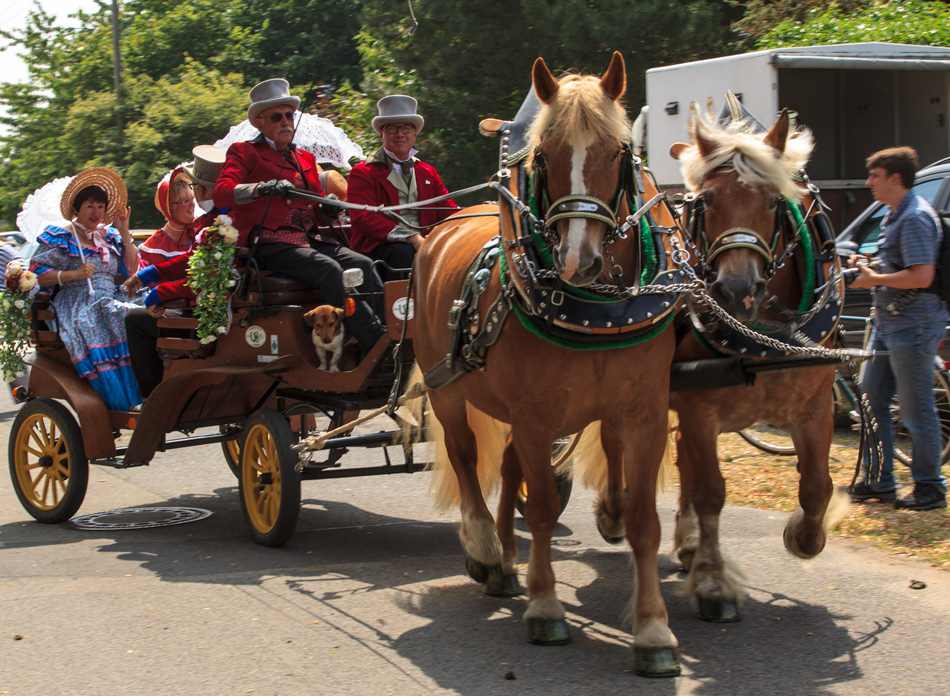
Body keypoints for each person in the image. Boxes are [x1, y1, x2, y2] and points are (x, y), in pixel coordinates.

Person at [213, 78, 385, 354]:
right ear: (259, 122)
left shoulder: (303, 158)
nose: (285, 122)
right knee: (330, 270)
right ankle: (375, 343)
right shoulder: (244, 152)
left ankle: (392, 333)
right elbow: (222, 192)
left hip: (308, 239)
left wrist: (327, 206)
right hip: (269, 242)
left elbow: (311, 204)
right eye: (276, 117)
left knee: (364, 264)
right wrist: (260, 189)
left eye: (289, 116)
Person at [850, 146, 948, 511]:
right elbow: (900, 264)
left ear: (895, 178)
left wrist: (873, 278)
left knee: (915, 407)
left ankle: (930, 487)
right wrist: (871, 264)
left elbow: (923, 275)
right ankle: (880, 481)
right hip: (890, 323)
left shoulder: (915, 218)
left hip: (915, 326)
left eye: (875, 175)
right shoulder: (895, 215)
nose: (868, 182)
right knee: (871, 397)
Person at [28, 167, 143, 411]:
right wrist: (74, 274)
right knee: (114, 314)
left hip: (110, 295)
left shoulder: (110, 236)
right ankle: (124, 399)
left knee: (148, 305)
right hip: (78, 301)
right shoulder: (62, 237)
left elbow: (132, 268)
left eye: (101, 206)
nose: (96, 212)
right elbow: (37, 275)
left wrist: (124, 233)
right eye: (90, 206)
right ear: (76, 209)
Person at [122, 145, 228, 399]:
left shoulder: (211, 226)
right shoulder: (223, 220)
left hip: (212, 315)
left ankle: (152, 395)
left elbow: (201, 278)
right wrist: (147, 278)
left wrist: (157, 291)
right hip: (216, 304)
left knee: (133, 321)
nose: (192, 201)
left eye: (194, 193)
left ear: (203, 190)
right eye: (184, 201)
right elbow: (192, 264)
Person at [347, 95, 457, 277]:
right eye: (392, 128)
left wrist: (475, 216)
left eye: (406, 128)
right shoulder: (363, 172)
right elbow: (364, 218)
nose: (400, 134)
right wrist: (411, 237)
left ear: (415, 133)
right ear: (381, 134)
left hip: (425, 245)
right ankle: (404, 305)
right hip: (384, 250)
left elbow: (449, 211)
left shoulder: (427, 172)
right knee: (402, 251)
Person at [138, 165, 198, 268]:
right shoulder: (154, 248)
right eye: (186, 201)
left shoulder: (199, 233)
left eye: (192, 199)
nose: (192, 205)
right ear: (170, 207)